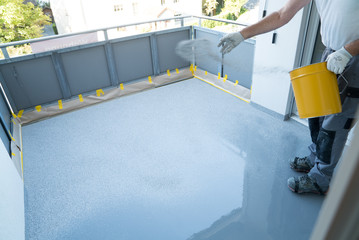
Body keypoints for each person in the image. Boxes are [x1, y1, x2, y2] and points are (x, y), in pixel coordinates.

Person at [218, 0, 359, 195]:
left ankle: (320, 178)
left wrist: (347, 51)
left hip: (354, 56)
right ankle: (315, 157)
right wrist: (242, 35)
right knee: (318, 111)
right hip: (331, 53)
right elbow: (282, 14)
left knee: (336, 120)